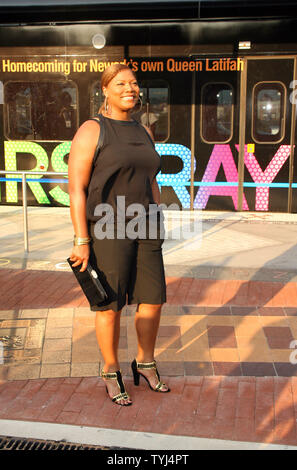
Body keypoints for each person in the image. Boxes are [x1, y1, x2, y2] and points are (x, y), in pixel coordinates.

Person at [68, 63, 169, 407]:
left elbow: (151, 178)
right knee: (110, 305)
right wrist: (82, 239)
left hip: (145, 225)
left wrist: (157, 213)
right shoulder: (92, 130)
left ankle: (145, 362)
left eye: (135, 83)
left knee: (152, 300)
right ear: (106, 90)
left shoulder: (144, 131)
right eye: (122, 83)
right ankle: (111, 370)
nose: (130, 88)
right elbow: (77, 189)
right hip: (108, 227)